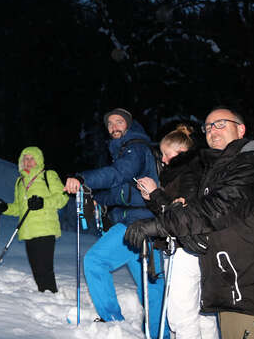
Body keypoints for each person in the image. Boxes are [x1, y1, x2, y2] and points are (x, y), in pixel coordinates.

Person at [125, 107, 254, 339]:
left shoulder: (250, 167)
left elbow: (212, 210)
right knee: (197, 318)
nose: (213, 130)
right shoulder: (216, 171)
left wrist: (158, 217)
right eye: (209, 126)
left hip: (252, 291)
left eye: (221, 123)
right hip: (230, 287)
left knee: (183, 315)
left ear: (241, 129)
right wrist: (157, 202)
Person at [64, 108, 167, 338]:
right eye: (110, 124)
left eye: (119, 122)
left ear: (129, 125)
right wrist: (96, 198)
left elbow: (118, 174)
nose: (113, 127)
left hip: (143, 225)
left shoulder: (135, 147)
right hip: (137, 225)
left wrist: (83, 178)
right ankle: (138, 329)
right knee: (148, 285)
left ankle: (129, 327)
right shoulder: (125, 150)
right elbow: (121, 193)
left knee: (101, 264)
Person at [135, 124, 219, 339]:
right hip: (191, 248)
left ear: (181, 153)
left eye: (166, 154)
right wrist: (151, 198)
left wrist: (156, 193)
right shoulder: (187, 173)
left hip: (184, 248)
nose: (163, 160)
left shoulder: (189, 175)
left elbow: (182, 216)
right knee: (201, 313)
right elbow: (167, 212)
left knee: (181, 315)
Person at [0, 146, 68, 293]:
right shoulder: (19, 182)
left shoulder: (48, 175)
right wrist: (5, 208)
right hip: (28, 231)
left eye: (31, 158)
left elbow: (62, 197)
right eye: (25, 159)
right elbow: (19, 208)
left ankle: (52, 296)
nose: (28, 161)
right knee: (36, 270)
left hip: (45, 228)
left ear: (38, 160)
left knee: (44, 268)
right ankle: (44, 295)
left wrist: (42, 202)